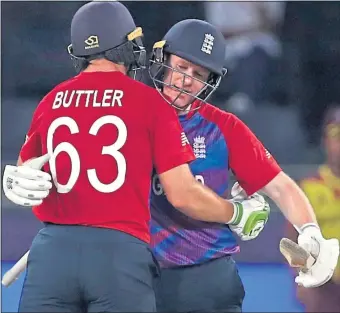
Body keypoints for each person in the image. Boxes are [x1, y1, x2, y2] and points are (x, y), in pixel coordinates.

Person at [1, 3, 267, 312]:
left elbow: (25, 173)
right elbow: (182, 195)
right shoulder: (150, 103)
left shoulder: (52, 100)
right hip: (119, 254)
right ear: (127, 46)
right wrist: (235, 213)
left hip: (51, 251)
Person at [148, 19, 340, 312]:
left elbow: (281, 186)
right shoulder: (133, 114)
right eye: (182, 66)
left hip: (208, 277)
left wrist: (312, 234)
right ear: (164, 59)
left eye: (198, 74)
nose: (186, 80)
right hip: (142, 275)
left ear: (210, 81)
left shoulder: (223, 127)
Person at [286, 105, 340, 312]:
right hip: (324, 287)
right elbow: (292, 241)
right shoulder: (308, 188)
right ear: (325, 141)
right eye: (336, 134)